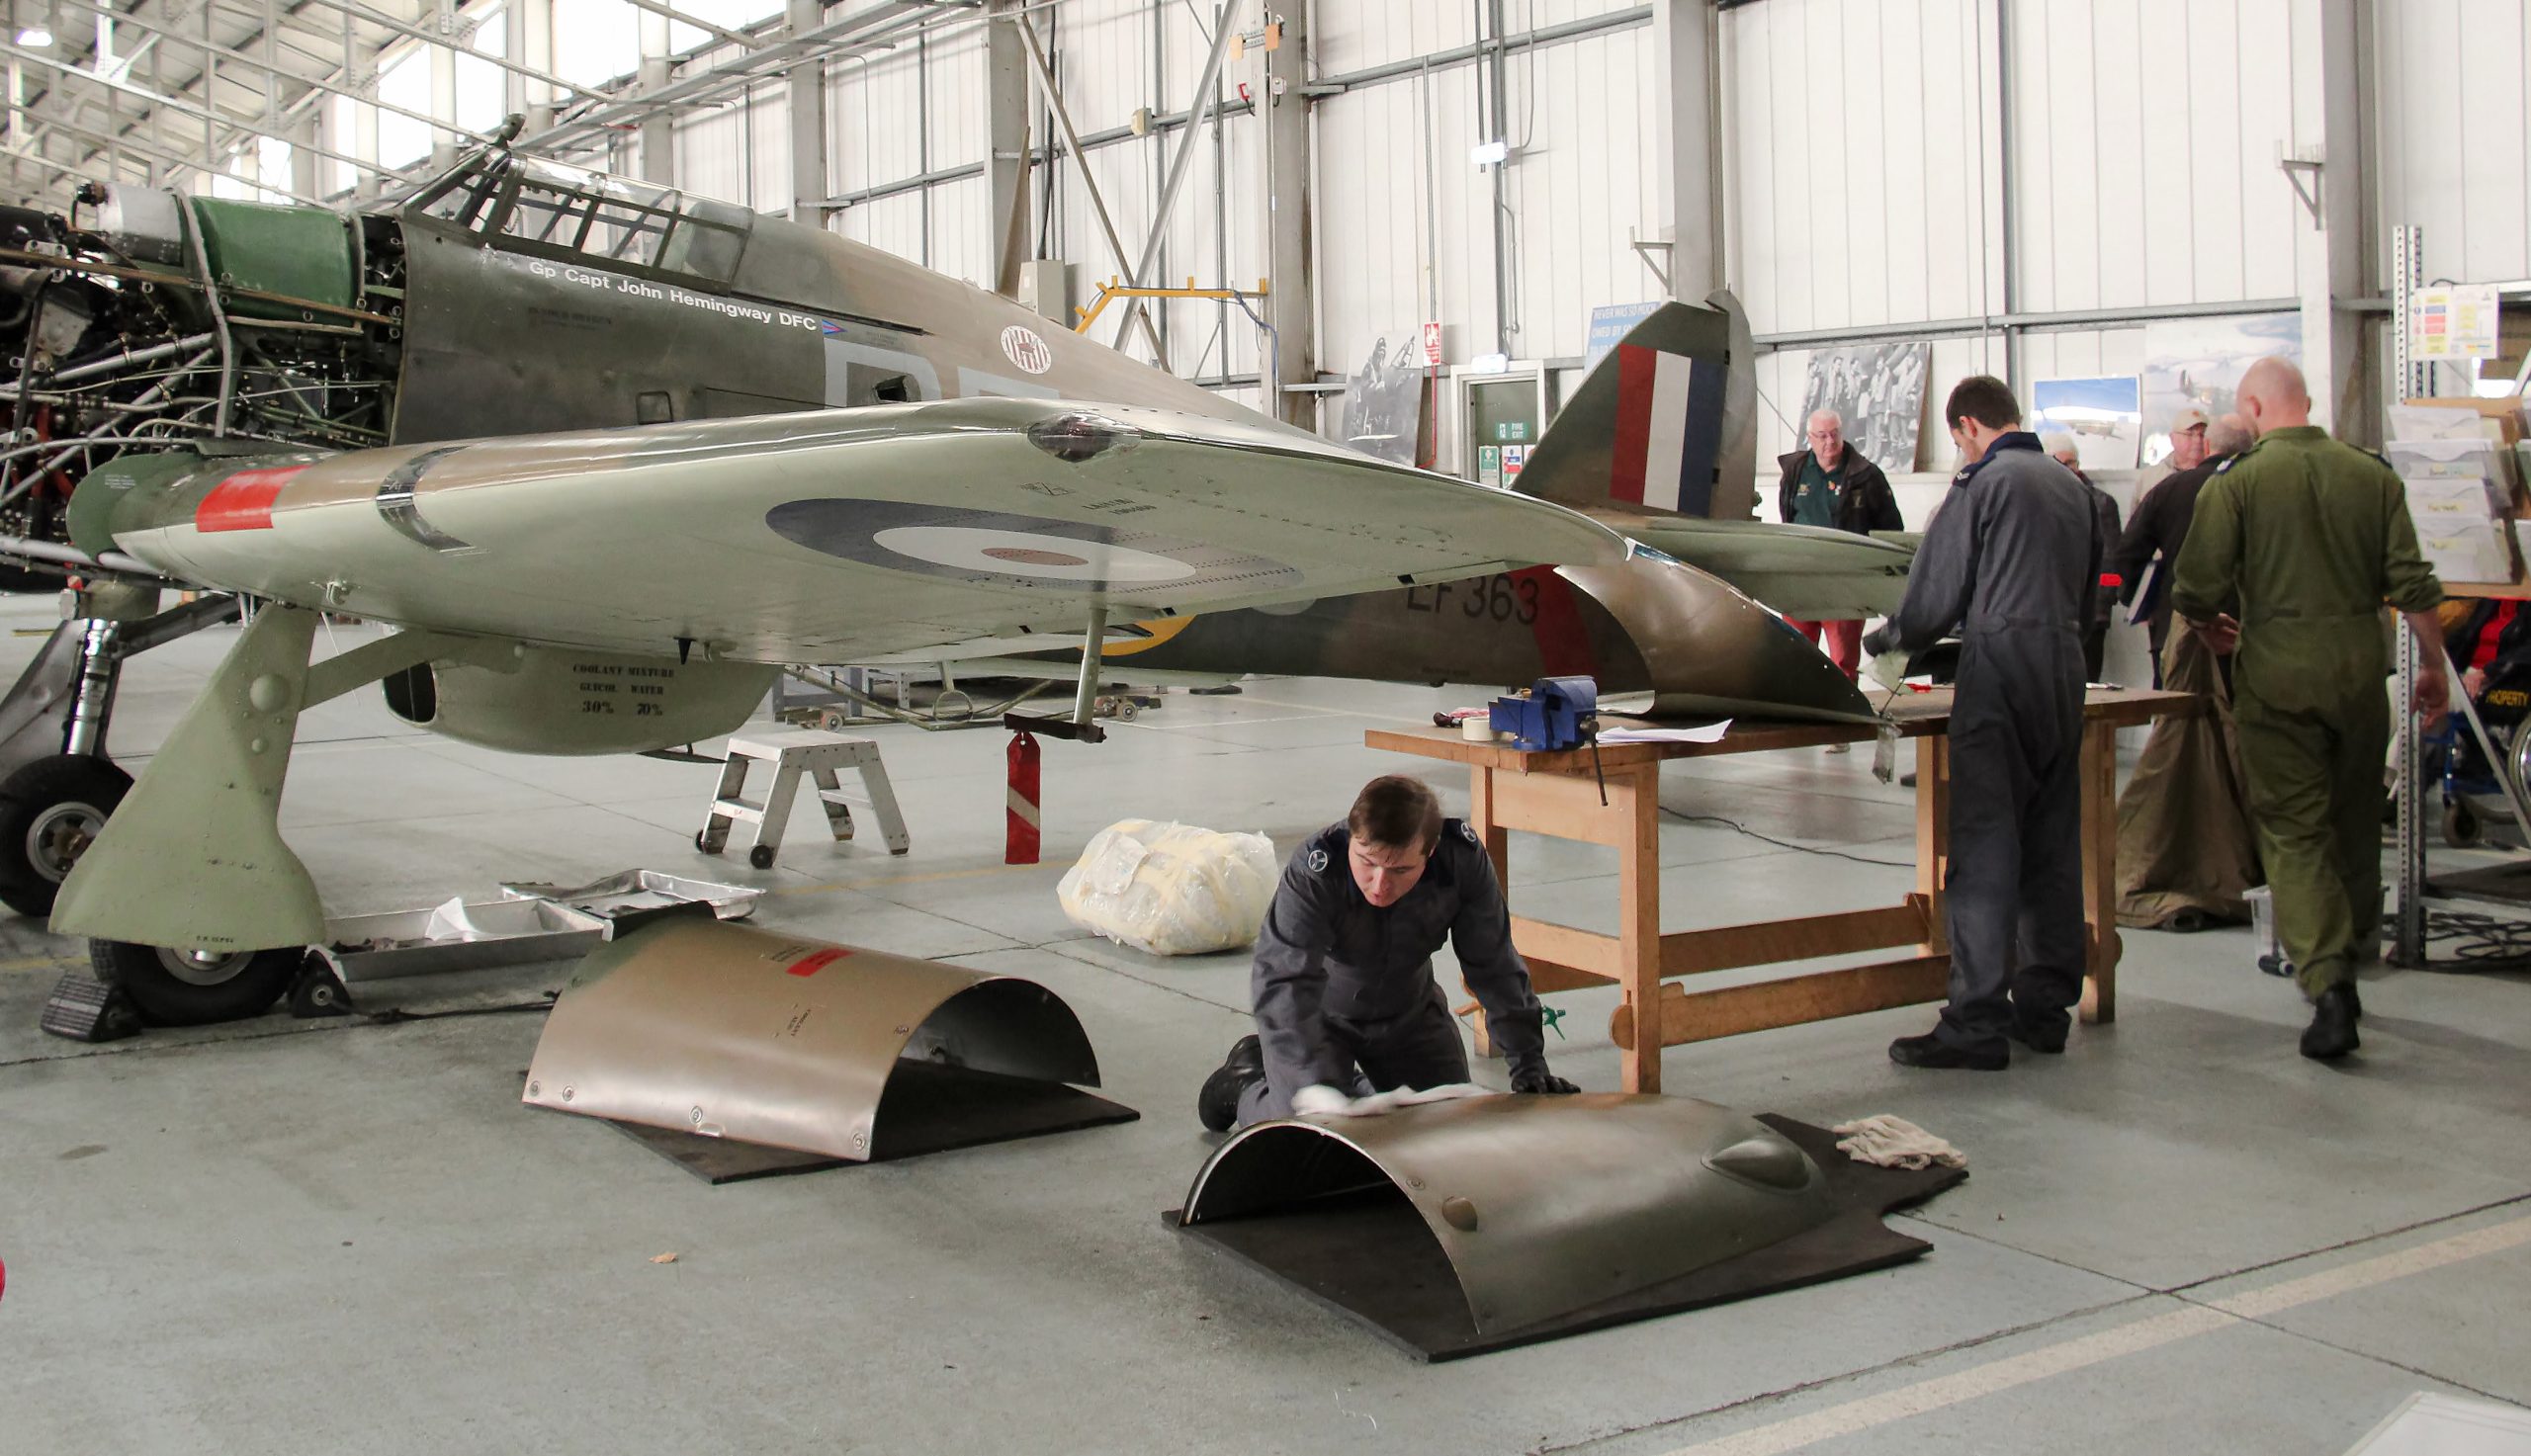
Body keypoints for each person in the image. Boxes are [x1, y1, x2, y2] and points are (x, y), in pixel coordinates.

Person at [2171, 357, 2446, 1061]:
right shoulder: (2372, 475)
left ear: (2255, 410)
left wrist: (2209, 626)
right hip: (2359, 669)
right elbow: (2413, 585)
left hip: (2278, 675)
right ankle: (2355, 949)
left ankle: (2328, 985)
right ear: (2307, 402)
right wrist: (2435, 668)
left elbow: (2196, 584)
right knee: (2355, 818)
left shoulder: (2240, 484)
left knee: (2294, 831)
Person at [1860, 376, 2098, 1071]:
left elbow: (1938, 592)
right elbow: (2087, 596)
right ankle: (2046, 1008)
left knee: (1986, 848)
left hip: (2002, 668)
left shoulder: (1983, 483)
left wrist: (1887, 638)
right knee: (2053, 843)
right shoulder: (2072, 487)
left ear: (1966, 426)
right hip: (2063, 667)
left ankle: (1975, 1021)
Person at [1196, 775, 1578, 1129]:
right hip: (1321, 1019)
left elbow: (1494, 964)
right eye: (1367, 862)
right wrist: (1309, 1081)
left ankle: (1358, 1092)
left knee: (1445, 1129)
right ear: (1351, 840)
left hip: (1409, 1013)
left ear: (1430, 852)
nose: (1379, 884)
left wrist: (1528, 1062)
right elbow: (1283, 979)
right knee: (1310, 1133)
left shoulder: (1459, 861)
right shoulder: (1317, 870)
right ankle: (1245, 1081)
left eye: (1399, 870)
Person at [2113, 413, 2254, 686]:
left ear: (2209, 446)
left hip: (2175, 627)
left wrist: (2141, 602)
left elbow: (2127, 553)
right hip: (2246, 631)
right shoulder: (2258, 488)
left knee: (2175, 717)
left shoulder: (2169, 489)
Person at [1778, 408, 1904, 683]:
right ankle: (1800, 714)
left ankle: (1844, 718)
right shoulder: (1795, 472)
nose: (1829, 442)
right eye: (1821, 436)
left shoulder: (1866, 475)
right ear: (1809, 438)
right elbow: (1786, 517)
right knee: (1795, 656)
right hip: (1800, 581)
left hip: (1843, 586)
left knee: (1843, 663)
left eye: (1834, 434)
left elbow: (1891, 529)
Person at [2044, 431, 2125, 680]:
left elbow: (2112, 565)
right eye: (2059, 463)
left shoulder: (2102, 504)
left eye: (2071, 462)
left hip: (2089, 615)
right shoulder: (2038, 500)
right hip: (2047, 614)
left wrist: (2101, 605)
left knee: (2087, 685)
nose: (2068, 469)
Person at [2138, 404, 2211, 503]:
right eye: (2189, 434)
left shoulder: (2219, 475)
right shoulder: (2152, 477)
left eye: (2202, 434)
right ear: (2172, 438)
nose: (2198, 440)